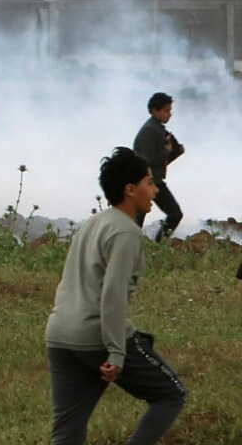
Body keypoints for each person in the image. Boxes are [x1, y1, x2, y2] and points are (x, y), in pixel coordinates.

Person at [45, 147, 187, 444]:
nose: (155, 189)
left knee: (67, 430)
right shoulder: (126, 233)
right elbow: (113, 294)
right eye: (150, 183)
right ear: (130, 190)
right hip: (98, 337)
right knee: (171, 394)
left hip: (60, 336)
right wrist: (116, 352)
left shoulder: (93, 223)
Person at [132, 92, 185, 242]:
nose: (170, 115)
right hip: (145, 181)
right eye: (166, 111)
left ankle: (157, 246)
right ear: (155, 111)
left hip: (153, 181)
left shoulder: (158, 129)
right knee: (138, 219)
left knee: (173, 214)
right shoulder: (150, 130)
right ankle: (149, 246)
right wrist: (167, 151)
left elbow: (161, 160)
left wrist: (175, 151)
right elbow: (150, 159)